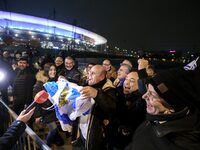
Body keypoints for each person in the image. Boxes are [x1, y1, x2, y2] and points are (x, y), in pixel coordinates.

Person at [126, 68, 200, 150]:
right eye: (147, 91)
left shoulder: (179, 144)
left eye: (153, 95)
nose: (144, 96)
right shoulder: (158, 118)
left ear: (172, 107)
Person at [79, 65, 118, 150]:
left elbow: (112, 108)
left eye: (92, 73)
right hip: (83, 132)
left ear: (101, 76)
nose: (89, 76)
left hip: (97, 138)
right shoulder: (87, 85)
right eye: (89, 73)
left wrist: (97, 94)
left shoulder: (109, 90)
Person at [112, 71, 146, 150]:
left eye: (132, 81)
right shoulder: (118, 94)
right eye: (126, 79)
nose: (126, 82)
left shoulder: (142, 101)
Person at [33, 63, 64, 146]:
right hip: (45, 112)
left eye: (54, 70)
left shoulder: (55, 81)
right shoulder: (39, 84)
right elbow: (36, 101)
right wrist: (37, 115)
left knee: (54, 129)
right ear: (46, 71)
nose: (53, 72)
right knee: (53, 130)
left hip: (54, 110)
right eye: (50, 70)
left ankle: (57, 141)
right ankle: (45, 145)